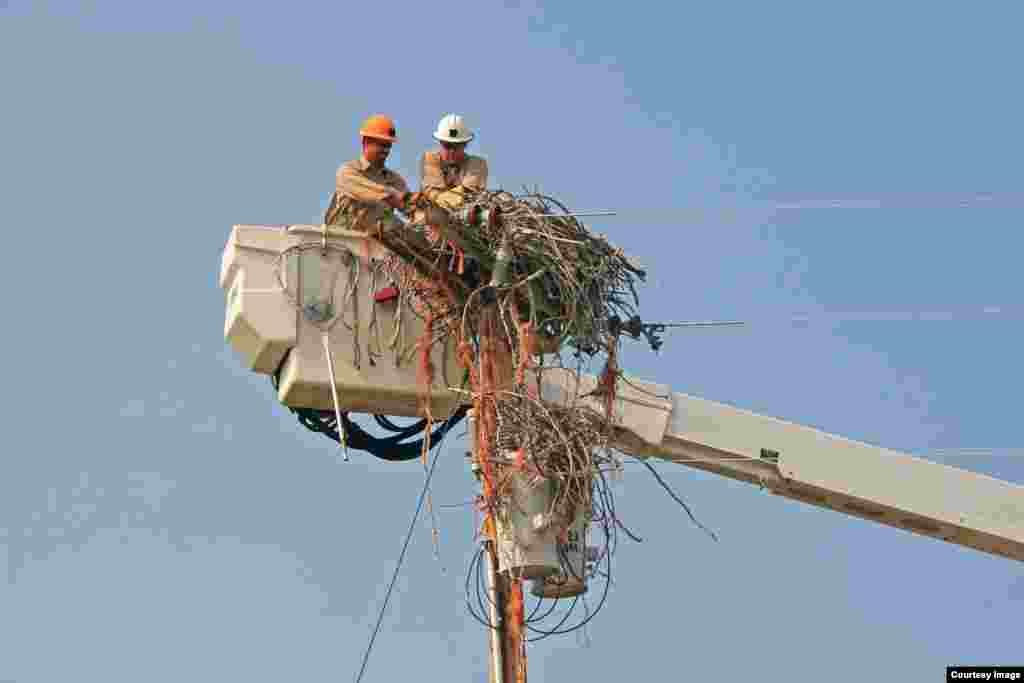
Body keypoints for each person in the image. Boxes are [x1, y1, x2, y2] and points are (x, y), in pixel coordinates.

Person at [324, 114, 413, 231]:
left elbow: (411, 209)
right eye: (382, 145)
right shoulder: (348, 172)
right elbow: (379, 194)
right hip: (344, 240)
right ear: (366, 142)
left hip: (377, 244)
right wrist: (394, 196)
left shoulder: (394, 179)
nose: (386, 151)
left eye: (389, 146)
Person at [418, 114, 488, 210]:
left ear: (465, 144)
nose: (452, 151)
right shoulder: (429, 159)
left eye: (456, 146)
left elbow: (469, 194)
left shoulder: (478, 164)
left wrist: (447, 197)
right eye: (447, 146)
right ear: (440, 143)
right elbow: (435, 196)